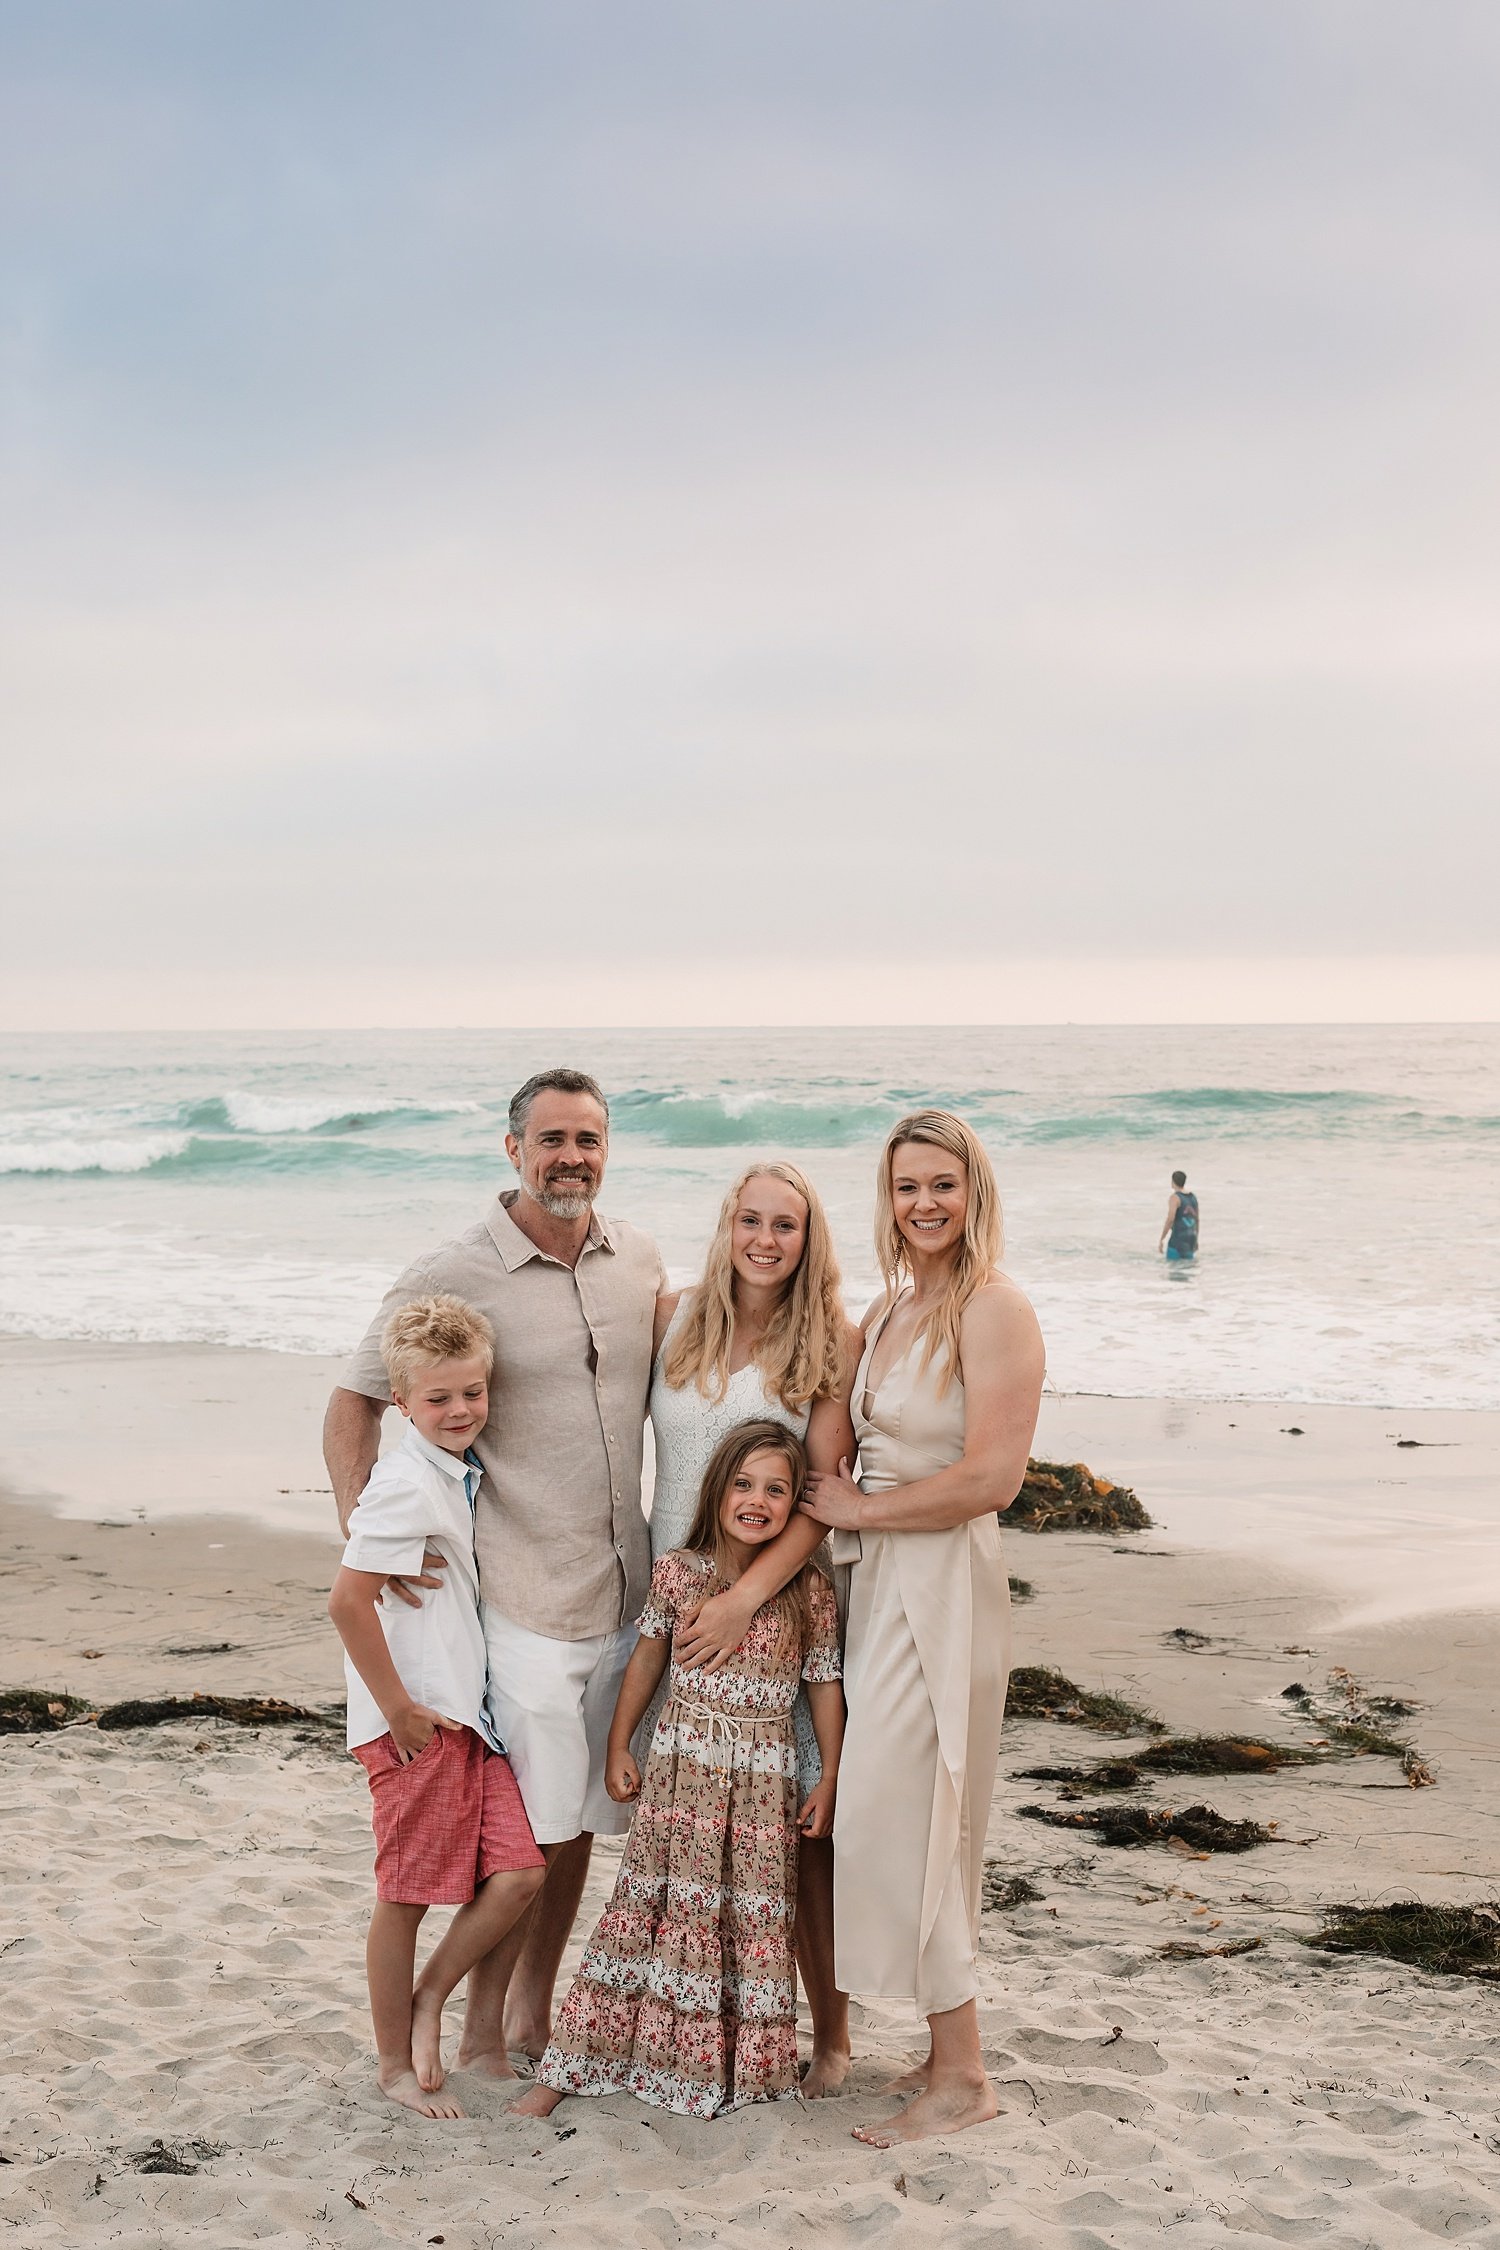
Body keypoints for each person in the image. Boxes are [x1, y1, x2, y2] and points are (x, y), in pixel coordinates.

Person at [323, 1068, 665, 2077]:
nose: (573, 1158)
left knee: (581, 1826)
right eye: (553, 1139)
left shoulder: (637, 1260)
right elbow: (353, 1400)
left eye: (589, 1140)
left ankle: (529, 2012)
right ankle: (478, 2029)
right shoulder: (453, 1269)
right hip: (519, 1597)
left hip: (623, 1592)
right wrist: (371, 1548)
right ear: (512, 1148)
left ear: (608, 1149)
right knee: (538, 1825)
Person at [799, 1110, 1044, 2148]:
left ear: (973, 1190)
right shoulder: (897, 1309)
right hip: (876, 1579)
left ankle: (964, 2074)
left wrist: (860, 1512)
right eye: (906, 1188)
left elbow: (995, 1477)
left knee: (924, 1802)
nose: (924, 1204)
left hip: (942, 1576)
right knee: (883, 1808)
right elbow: (825, 1412)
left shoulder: (993, 1308)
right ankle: (946, 2048)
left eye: (942, 1184)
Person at [514, 1421, 845, 2121]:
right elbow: (647, 1660)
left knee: (747, 1919)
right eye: (745, 1484)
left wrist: (830, 1776)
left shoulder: (807, 1591)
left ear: (795, 1508)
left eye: (778, 1490)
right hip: (681, 1774)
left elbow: (823, 1687)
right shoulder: (679, 1571)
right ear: (718, 1489)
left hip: (762, 1784)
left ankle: (726, 2072)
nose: (758, 1500)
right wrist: (618, 1745)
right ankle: (573, 2065)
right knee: (648, 1908)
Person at [646, 1161, 860, 2096]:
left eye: (788, 1225)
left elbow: (818, 1499)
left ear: (811, 1241)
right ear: (727, 1224)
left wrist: (746, 1601)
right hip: (678, 1596)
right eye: (751, 1220)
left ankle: (835, 2038)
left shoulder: (830, 1344)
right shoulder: (674, 1318)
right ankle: (702, 2017)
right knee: (692, 1821)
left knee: (802, 1836)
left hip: (775, 1615)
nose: (767, 1240)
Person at [327, 1295, 545, 2119]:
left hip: (465, 1719)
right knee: (406, 1897)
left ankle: (429, 2001)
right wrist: (400, 1710)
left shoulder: (452, 1472)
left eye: (472, 1393)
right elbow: (347, 1602)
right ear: (401, 1402)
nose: (459, 1411)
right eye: (438, 1399)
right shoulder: (403, 1484)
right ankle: (392, 2065)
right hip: (416, 1725)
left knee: (521, 1872)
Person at [1159, 1170, 1200, 1261]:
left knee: (1173, 1270)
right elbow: (1197, 1219)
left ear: (1173, 1182)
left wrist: (1162, 1238)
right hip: (1191, 1237)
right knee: (1187, 1269)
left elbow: (1170, 1219)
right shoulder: (1193, 1197)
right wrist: (1196, 1239)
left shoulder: (1175, 1198)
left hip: (1178, 1238)